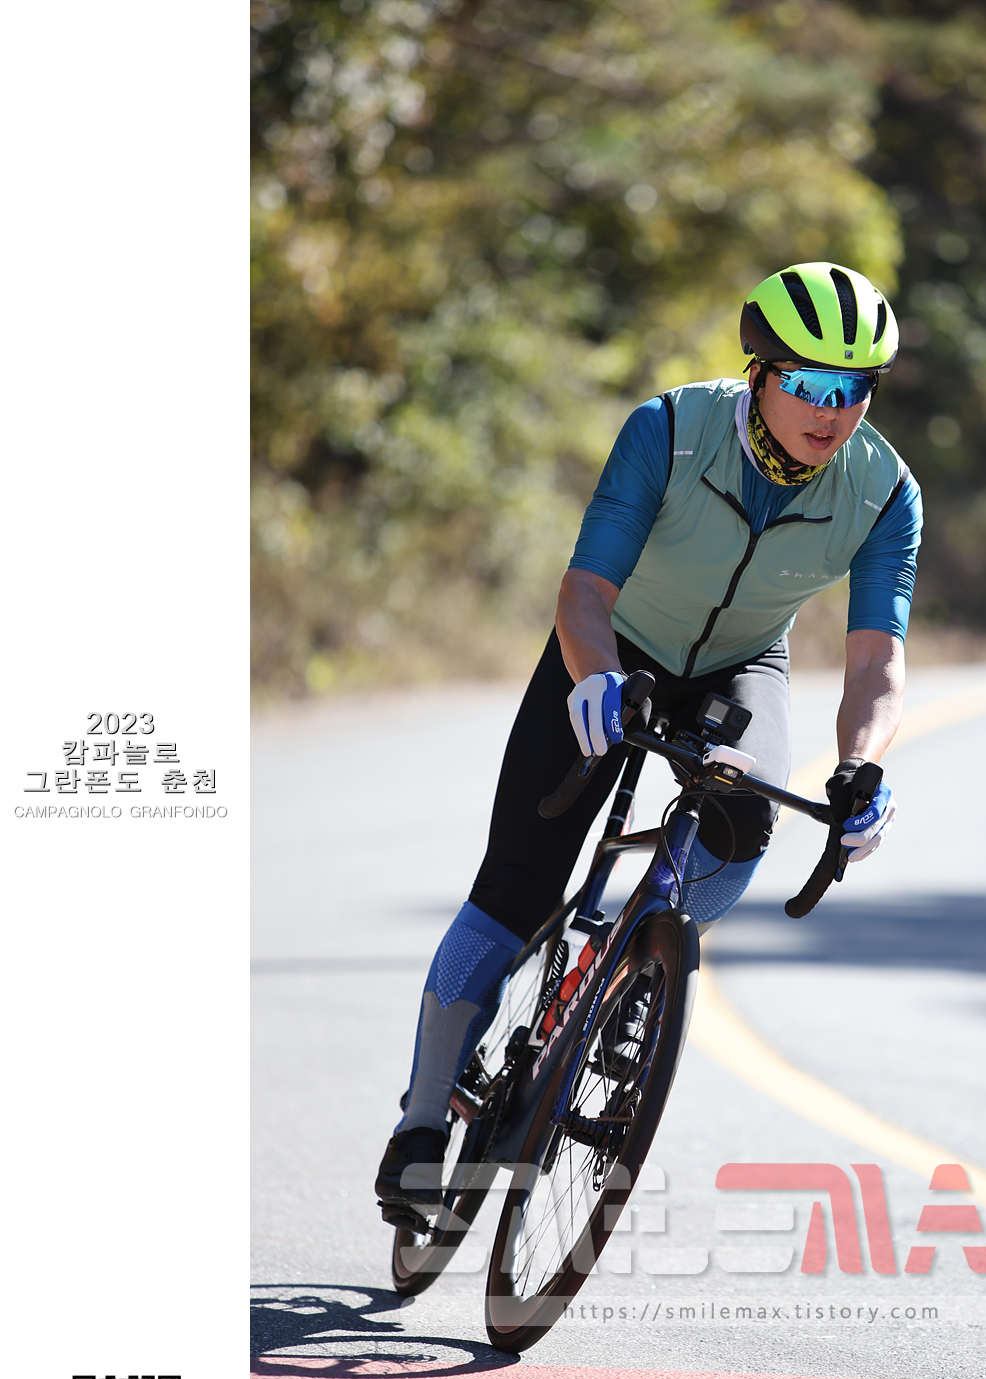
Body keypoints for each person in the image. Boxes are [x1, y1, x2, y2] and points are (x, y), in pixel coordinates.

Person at [375, 261, 922, 1221]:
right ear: (760, 372)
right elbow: (585, 590)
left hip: (741, 666)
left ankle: (638, 967)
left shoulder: (885, 493)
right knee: (516, 888)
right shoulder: (669, 429)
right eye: (809, 383)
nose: (831, 412)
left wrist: (862, 764)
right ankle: (422, 1125)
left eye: (855, 389)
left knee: (745, 825)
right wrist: (594, 677)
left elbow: (876, 660)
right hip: (612, 648)